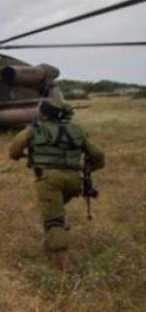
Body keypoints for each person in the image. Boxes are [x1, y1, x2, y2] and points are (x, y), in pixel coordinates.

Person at [9, 99, 105, 271]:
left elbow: (13, 151)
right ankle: (52, 240)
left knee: (53, 220)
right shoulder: (76, 129)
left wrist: (24, 155)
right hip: (74, 180)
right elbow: (98, 155)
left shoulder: (34, 129)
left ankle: (64, 262)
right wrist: (89, 168)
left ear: (43, 113)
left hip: (49, 180)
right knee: (56, 209)